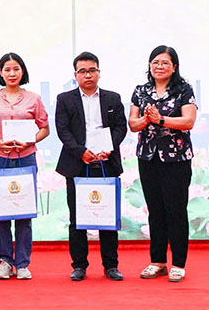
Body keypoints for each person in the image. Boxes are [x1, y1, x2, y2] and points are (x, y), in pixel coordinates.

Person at [54, 51, 127, 282]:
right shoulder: (65, 99)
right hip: (77, 164)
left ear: (99, 72)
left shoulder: (112, 98)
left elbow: (120, 128)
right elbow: (63, 130)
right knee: (77, 217)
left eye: (92, 70)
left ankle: (111, 265)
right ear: (75, 75)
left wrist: (109, 147)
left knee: (107, 216)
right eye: (83, 71)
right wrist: (80, 152)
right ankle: (79, 265)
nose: (88, 75)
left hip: (107, 161)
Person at [128, 45, 197, 283]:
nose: (159, 66)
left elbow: (188, 121)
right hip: (147, 158)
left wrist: (162, 119)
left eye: (165, 63)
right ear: (149, 65)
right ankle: (157, 261)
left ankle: (178, 263)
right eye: (155, 62)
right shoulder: (141, 91)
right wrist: (147, 118)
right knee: (155, 211)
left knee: (175, 211)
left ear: (174, 67)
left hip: (176, 159)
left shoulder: (183, 90)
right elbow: (133, 124)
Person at [0, 53, 50, 280]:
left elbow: (44, 128)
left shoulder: (34, 98)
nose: (12, 73)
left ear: (23, 72)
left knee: (23, 212)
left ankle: (22, 263)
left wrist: (30, 140)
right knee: (1, 213)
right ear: (0, 72)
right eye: (7, 69)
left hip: (26, 157)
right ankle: (4, 261)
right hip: (0, 158)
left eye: (16, 69)